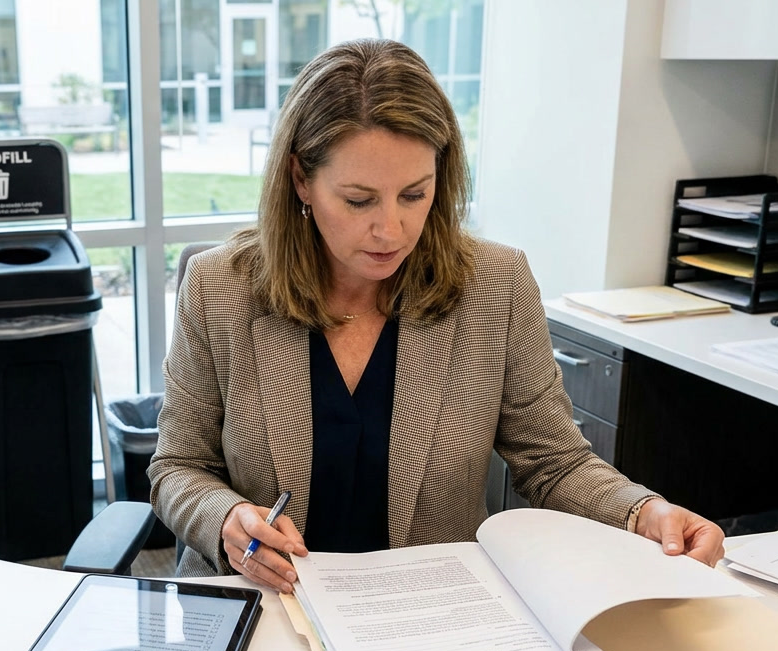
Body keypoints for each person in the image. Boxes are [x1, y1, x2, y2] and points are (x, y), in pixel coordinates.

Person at [147, 39, 725, 593]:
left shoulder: (494, 286)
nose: (390, 230)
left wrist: (645, 511)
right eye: (358, 200)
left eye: (414, 194)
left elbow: (554, 462)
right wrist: (226, 519)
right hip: (267, 606)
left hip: (428, 616)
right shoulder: (219, 288)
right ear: (300, 178)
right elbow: (177, 467)